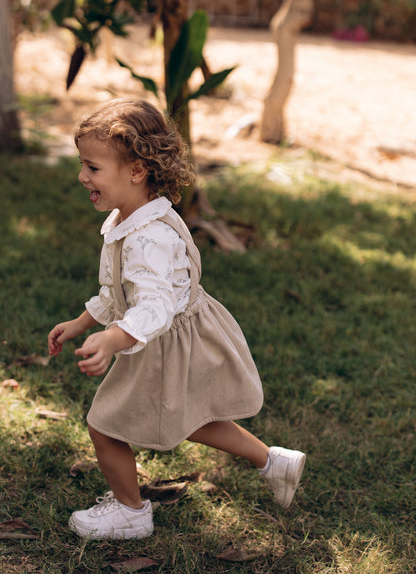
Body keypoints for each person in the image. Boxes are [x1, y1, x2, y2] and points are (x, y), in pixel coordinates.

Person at [48, 99, 306, 541]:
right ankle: (273, 461)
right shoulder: (138, 215)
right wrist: (82, 321)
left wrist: (112, 339)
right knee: (194, 415)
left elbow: (152, 307)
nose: (81, 176)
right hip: (175, 335)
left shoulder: (147, 239)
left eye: (92, 167)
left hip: (160, 341)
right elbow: (119, 293)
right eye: (82, 165)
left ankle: (131, 512)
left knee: (104, 425)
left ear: (135, 171)